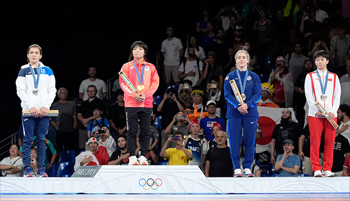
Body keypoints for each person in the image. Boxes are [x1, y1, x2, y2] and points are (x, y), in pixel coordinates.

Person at [16, 44, 56, 177]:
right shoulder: (23, 70)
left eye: (36, 52)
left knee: (41, 140)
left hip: (43, 112)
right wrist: (30, 107)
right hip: (28, 112)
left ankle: (41, 169)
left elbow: (52, 90)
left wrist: (46, 106)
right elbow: (20, 90)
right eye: (31, 52)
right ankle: (27, 168)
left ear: (40, 55)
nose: (34, 54)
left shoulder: (48, 70)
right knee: (27, 140)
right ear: (28, 55)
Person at [119, 41, 160, 165]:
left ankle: (143, 156)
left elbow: (155, 83)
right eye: (135, 49)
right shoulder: (126, 67)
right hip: (131, 104)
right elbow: (123, 83)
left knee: (146, 131)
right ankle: (132, 157)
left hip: (146, 103)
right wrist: (134, 95)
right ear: (132, 52)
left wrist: (145, 95)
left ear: (144, 52)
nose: (137, 51)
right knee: (131, 131)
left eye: (140, 49)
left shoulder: (151, 67)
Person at [224, 50, 262, 177]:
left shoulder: (254, 76)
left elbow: (258, 94)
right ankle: (236, 168)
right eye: (239, 57)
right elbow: (227, 94)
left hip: (250, 112)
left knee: (250, 140)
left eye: (243, 57)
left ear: (248, 60)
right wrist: (237, 105)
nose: (241, 59)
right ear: (235, 60)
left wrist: (247, 104)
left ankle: (247, 167)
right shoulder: (230, 77)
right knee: (234, 141)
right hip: (234, 112)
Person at [304, 50, 341, 177]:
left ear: (327, 61)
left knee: (330, 141)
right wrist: (316, 109)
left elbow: (337, 96)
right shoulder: (310, 76)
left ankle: (327, 168)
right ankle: (316, 169)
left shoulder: (334, 77)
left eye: (322, 59)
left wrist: (333, 111)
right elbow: (309, 95)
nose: (320, 62)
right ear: (315, 62)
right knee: (315, 141)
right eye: (317, 60)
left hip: (330, 114)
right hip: (315, 114)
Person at [77, 85, 105, 151]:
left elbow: (99, 114)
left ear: (96, 92)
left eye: (92, 91)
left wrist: (87, 120)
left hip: (95, 128)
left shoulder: (100, 102)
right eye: (89, 91)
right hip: (83, 128)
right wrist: (83, 121)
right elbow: (79, 114)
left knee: (96, 147)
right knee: (83, 147)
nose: (91, 92)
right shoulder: (84, 103)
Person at [51, 87, 77, 153]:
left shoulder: (71, 105)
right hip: (58, 131)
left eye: (65, 92)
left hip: (69, 131)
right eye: (62, 93)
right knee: (58, 149)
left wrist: (74, 127)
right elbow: (51, 118)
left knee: (69, 149)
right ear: (58, 95)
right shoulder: (55, 105)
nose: (64, 94)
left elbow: (74, 117)